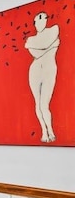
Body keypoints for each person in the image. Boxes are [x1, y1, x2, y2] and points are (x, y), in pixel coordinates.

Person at [25, 12, 60, 142]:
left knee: (44, 104)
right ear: (34, 24)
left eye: (42, 19)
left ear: (46, 20)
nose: (40, 22)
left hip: (49, 70)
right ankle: (44, 132)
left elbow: (39, 49)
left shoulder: (54, 29)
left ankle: (50, 130)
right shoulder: (31, 39)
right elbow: (37, 53)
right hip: (34, 71)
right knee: (38, 103)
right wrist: (52, 45)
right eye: (37, 21)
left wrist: (39, 47)